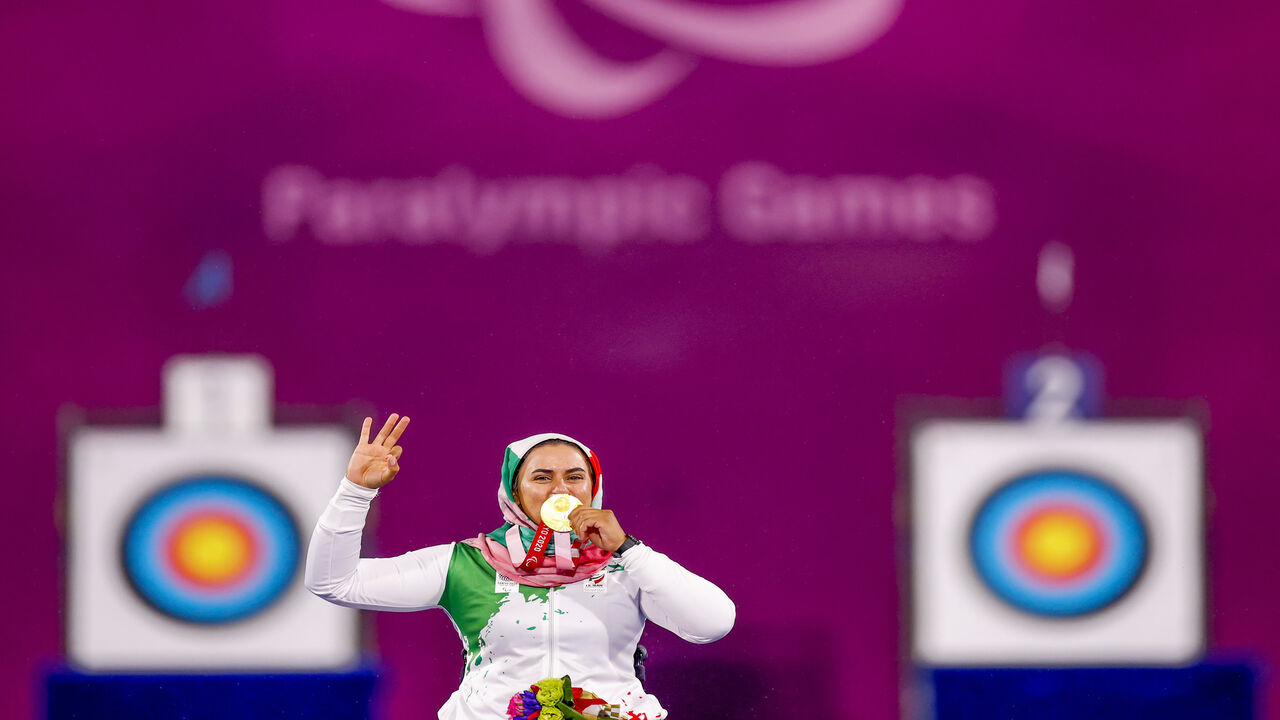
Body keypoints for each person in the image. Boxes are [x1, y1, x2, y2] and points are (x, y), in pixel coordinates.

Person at [304, 414, 736, 719]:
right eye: (542, 477)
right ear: (514, 489)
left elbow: (712, 623)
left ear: (594, 487)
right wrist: (355, 492)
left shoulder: (629, 565)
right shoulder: (467, 561)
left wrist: (629, 549)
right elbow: (333, 583)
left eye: (575, 476)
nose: (560, 488)